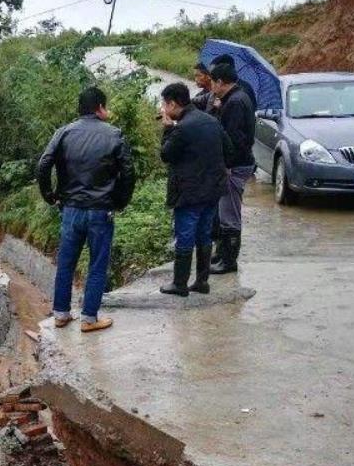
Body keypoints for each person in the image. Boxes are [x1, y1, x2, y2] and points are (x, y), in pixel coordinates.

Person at [37, 86, 134, 332]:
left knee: (66, 262)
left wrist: (50, 195)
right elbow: (128, 172)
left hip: (70, 209)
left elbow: (44, 164)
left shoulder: (63, 133)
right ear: (100, 107)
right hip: (101, 210)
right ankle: (89, 319)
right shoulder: (114, 134)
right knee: (97, 264)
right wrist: (119, 201)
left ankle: (61, 314)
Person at [158, 83, 232, 296]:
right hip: (212, 191)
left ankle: (180, 284)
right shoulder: (211, 121)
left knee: (185, 236)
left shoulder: (181, 128)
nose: (164, 108)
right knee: (204, 235)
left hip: (189, 192)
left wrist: (167, 129)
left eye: (165, 104)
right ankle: (202, 281)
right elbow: (229, 150)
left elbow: (166, 155)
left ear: (173, 103)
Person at [209, 63, 256, 274]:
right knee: (226, 211)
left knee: (230, 214)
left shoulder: (236, 102)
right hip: (238, 162)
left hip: (235, 166)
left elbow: (234, 139)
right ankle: (224, 258)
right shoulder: (237, 98)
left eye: (212, 82)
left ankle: (229, 262)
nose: (211, 87)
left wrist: (227, 165)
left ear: (220, 82)